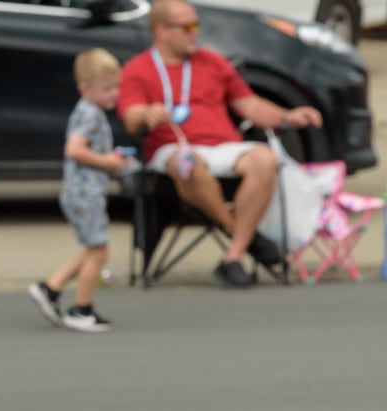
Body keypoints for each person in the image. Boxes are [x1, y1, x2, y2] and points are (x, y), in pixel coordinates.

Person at [117, 0, 323, 288]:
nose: (195, 33)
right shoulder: (138, 69)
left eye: (196, 25)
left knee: (264, 159)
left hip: (223, 146)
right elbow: (130, 116)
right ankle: (246, 237)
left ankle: (234, 255)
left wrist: (287, 117)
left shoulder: (213, 62)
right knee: (188, 165)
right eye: (187, 27)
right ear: (162, 31)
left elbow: (249, 105)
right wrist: (147, 114)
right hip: (174, 148)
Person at [28, 49, 130, 333]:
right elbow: (75, 149)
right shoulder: (88, 114)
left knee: (92, 248)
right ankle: (80, 309)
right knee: (99, 252)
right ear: (85, 88)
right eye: (107, 88)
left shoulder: (90, 111)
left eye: (117, 86)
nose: (114, 94)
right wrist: (108, 162)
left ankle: (50, 288)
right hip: (85, 194)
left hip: (83, 192)